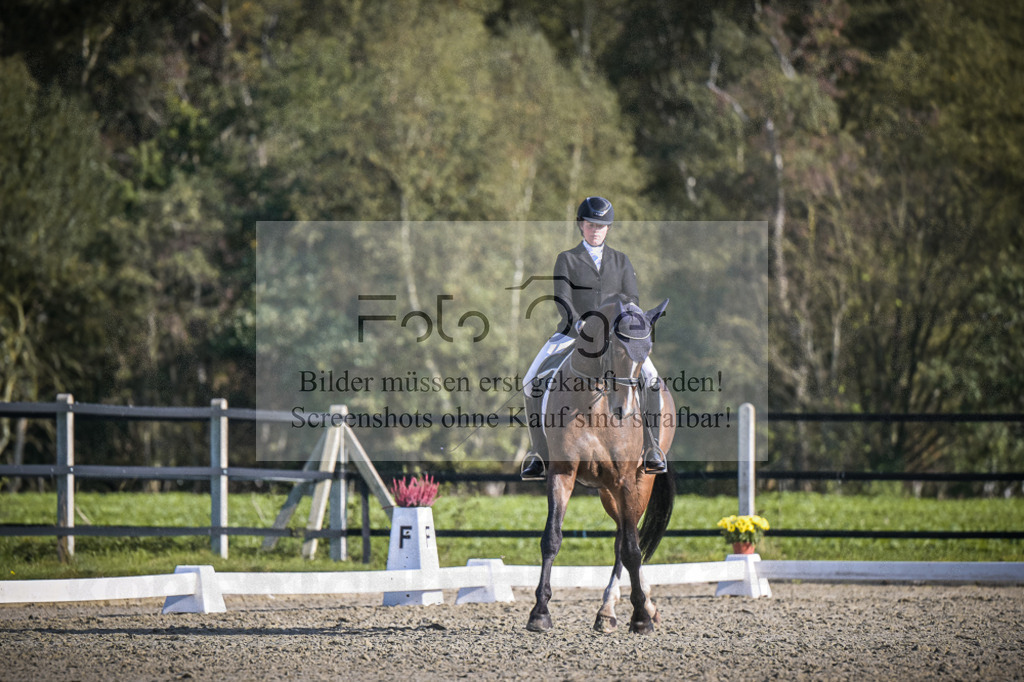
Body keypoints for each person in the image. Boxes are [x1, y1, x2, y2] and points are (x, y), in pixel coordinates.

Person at [520, 196, 668, 480]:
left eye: (601, 226)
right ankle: (539, 454)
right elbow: (562, 299)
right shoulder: (567, 259)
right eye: (590, 225)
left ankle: (652, 448)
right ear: (581, 226)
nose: (595, 230)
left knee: (651, 379)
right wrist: (580, 324)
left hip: (617, 337)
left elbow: (632, 300)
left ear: (608, 228)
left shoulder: (621, 260)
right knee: (530, 380)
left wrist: (627, 330)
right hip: (573, 332)